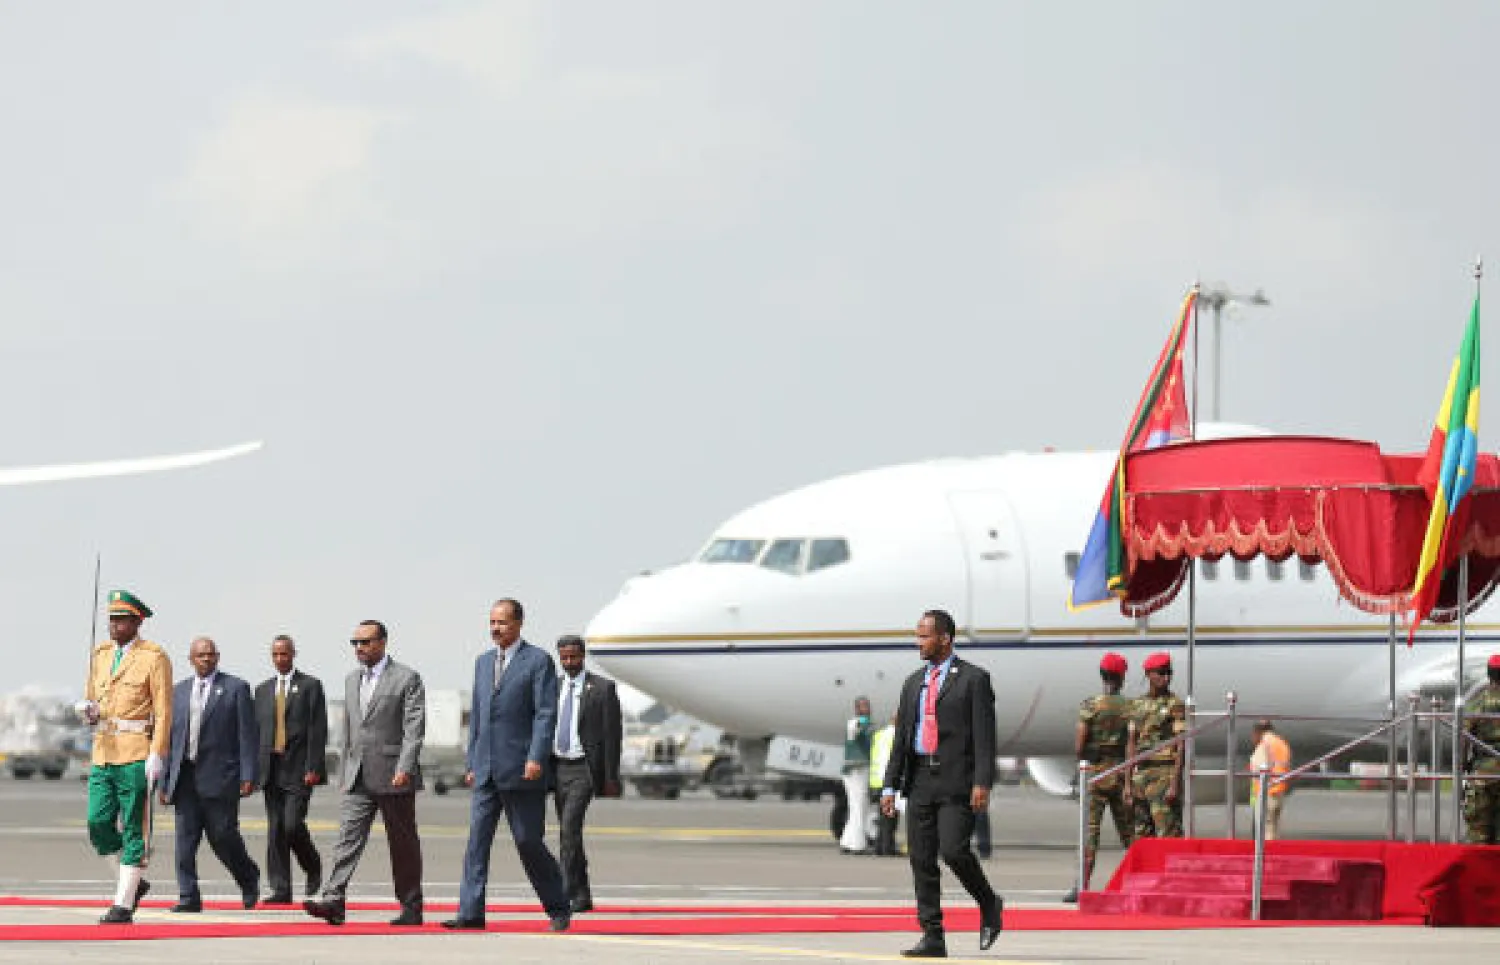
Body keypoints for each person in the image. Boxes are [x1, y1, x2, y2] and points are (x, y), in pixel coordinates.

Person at [881, 608, 1002, 958]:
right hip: (919, 779)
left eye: (924, 636)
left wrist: (982, 782)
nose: (918, 642)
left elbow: (985, 736)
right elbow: (902, 739)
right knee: (921, 859)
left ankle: (989, 901)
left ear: (944, 639)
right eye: (917, 635)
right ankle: (933, 934)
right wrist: (890, 786)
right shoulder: (912, 683)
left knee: (954, 851)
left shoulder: (973, 680)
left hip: (957, 781)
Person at [444, 599, 571, 931]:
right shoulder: (483, 663)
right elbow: (478, 718)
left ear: (519, 624)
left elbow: (545, 714)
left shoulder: (538, 661)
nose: (495, 628)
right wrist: (472, 760)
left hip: (521, 769)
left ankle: (559, 906)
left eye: (501, 622)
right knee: (476, 844)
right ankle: (470, 913)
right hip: (486, 769)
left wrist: (535, 757)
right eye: (491, 622)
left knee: (528, 841)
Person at [304, 620, 426, 927]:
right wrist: (344, 772)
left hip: (393, 773)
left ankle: (411, 906)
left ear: (382, 642)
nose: (359, 648)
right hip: (357, 774)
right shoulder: (350, 680)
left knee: (402, 845)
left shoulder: (406, 678)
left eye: (366, 642)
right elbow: (349, 731)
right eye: (355, 642)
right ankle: (334, 900)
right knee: (347, 838)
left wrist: (405, 768)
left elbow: (414, 730)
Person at [79, 590, 173, 924]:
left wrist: (157, 752)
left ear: (137, 622)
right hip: (104, 749)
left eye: (121, 620)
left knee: (135, 827)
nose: (114, 625)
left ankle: (122, 902)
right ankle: (134, 881)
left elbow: (163, 711)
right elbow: (94, 698)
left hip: (136, 750)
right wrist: (88, 711)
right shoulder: (101, 654)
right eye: (112, 619)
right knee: (98, 822)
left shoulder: (154, 657)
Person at [160, 637, 261, 912]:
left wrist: (248, 773)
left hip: (221, 777)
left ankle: (248, 877)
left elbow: (247, 735)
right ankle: (188, 896)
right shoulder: (177, 692)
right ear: (191, 659)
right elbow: (171, 739)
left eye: (211, 655)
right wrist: (164, 780)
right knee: (185, 841)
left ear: (217, 657)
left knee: (223, 837)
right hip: (185, 779)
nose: (206, 659)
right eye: (201, 655)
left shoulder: (235, 688)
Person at [550, 634, 624, 913]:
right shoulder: (553, 687)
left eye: (574, 657)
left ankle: (566, 892)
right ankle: (582, 895)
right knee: (568, 835)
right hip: (558, 767)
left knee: (570, 829)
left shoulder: (603, 689)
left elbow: (612, 736)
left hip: (584, 769)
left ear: (583, 656)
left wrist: (611, 777)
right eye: (564, 657)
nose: (569, 662)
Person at [254, 634, 327, 904]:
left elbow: (317, 730)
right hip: (270, 769)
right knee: (275, 830)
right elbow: (255, 732)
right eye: (275, 655)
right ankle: (281, 889)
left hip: (299, 768)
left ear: (293, 654)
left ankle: (312, 865)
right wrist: (251, 772)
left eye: (284, 654)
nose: (280, 659)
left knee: (292, 825)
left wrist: (314, 766)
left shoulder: (310, 686)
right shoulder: (262, 690)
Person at [1066, 652, 1133, 903]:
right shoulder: (1129, 707)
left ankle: (1081, 886)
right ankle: (1136, 880)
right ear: (1122, 677)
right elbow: (1132, 743)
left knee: (1089, 834)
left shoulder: (1090, 706)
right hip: (1119, 772)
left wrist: (1086, 759)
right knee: (1128, 833)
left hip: (1094, 775)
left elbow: (1079, 744)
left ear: (1102, 675)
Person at [1127, 651, 1186, 840]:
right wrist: (1128, 783)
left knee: (1168, 833)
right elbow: (1131, 743)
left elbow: (1181, 743)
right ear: (1149, 674)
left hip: (1165, 773)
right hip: (1142, 774)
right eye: (1161, 673)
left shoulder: (1174, 704)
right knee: (1141, 835)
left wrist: (1175, 783)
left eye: (1169, 673)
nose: (1166, 678)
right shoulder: (1137, 704)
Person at [1462, 655, 1500, 844]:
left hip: (1483, 773)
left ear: (1489, 675)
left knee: (1479, 833)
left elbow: (1465, 737)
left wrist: (1463, 765)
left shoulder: (1478, 702)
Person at [1248, 720, 1292, 841]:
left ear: (1259, 731)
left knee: (1265, 829)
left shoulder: (1264, 744)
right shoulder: (1281, 743)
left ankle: (1265, 857)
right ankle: (1274, 853)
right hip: (1279, 790)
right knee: (1273, 827)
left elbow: (1260, 767)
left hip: (1266, 791)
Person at [840, 696, 874, 854]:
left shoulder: (866, 724)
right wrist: (862, 723)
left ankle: (847, 841)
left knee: (857, 806)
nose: (867, 708)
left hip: (858, 768)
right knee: (859, 805)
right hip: (856, 770)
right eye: (863, 706)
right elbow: (855, 730)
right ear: (857, 709)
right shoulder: (857, 723)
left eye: (867, 705)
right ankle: (858, 845)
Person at [869, 713, 899, 856]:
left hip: (876, 779)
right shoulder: (897, 735)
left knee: (883, 817)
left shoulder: (879, 734)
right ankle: (888, 848)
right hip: (889, 780)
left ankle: (879, 847)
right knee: (890, 817)